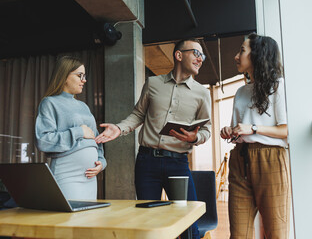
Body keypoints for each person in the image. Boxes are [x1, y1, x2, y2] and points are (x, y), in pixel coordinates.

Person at [95, 38, 211, 239]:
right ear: (179, 55)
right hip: (147, 163)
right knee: (148, 222)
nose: (201, 59)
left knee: (189, 225)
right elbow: (138, 115)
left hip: (178, 164)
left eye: (203, 56)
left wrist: (195, 137)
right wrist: (119, 128)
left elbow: (207, 130)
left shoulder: (202, 93)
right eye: (197, 53)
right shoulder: (153, 83)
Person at [220, 33, 290, 239]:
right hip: (240, 158)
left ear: (257, 55)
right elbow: (239, 130)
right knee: (238, 235)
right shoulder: (241, 92)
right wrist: (229, 131)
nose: (236, 56)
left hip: (271, 160)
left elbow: (286, 130)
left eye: (242, 50)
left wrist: (254, 128)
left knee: (276, 232)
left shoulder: (278, 87)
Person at [35, 56, 106, 200]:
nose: (84, 80)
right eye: (80, 75)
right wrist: (79, 132)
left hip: (90, 178)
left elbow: (96, 139)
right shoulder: (49, 103)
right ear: (64, 76)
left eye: (85, 76)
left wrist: (101, 162)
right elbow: (43, 140)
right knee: (70, 220)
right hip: (67, 174)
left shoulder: (83, 106)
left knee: (88, 220)